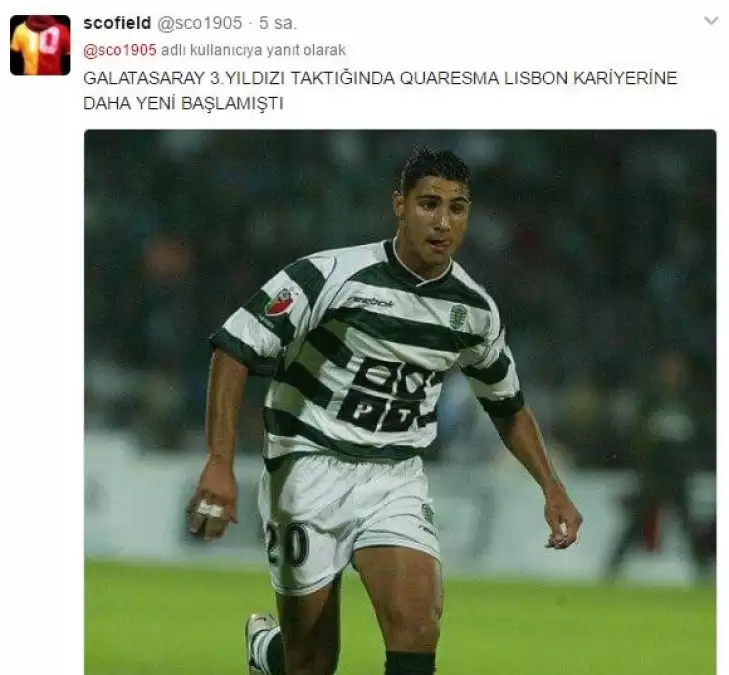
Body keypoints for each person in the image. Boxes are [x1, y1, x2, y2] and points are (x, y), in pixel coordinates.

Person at [186, 147, 583, 675]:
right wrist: (219, 461)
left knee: (417, 629)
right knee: (312, 662)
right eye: (429, 204)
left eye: (457, 208)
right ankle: (268, 652)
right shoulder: (329, 275)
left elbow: (507, 405)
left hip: (394, 477)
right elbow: (234, 348)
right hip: (305, 468)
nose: (443, 222)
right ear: (399, 205)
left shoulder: (474, 311)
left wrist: (551, 485)